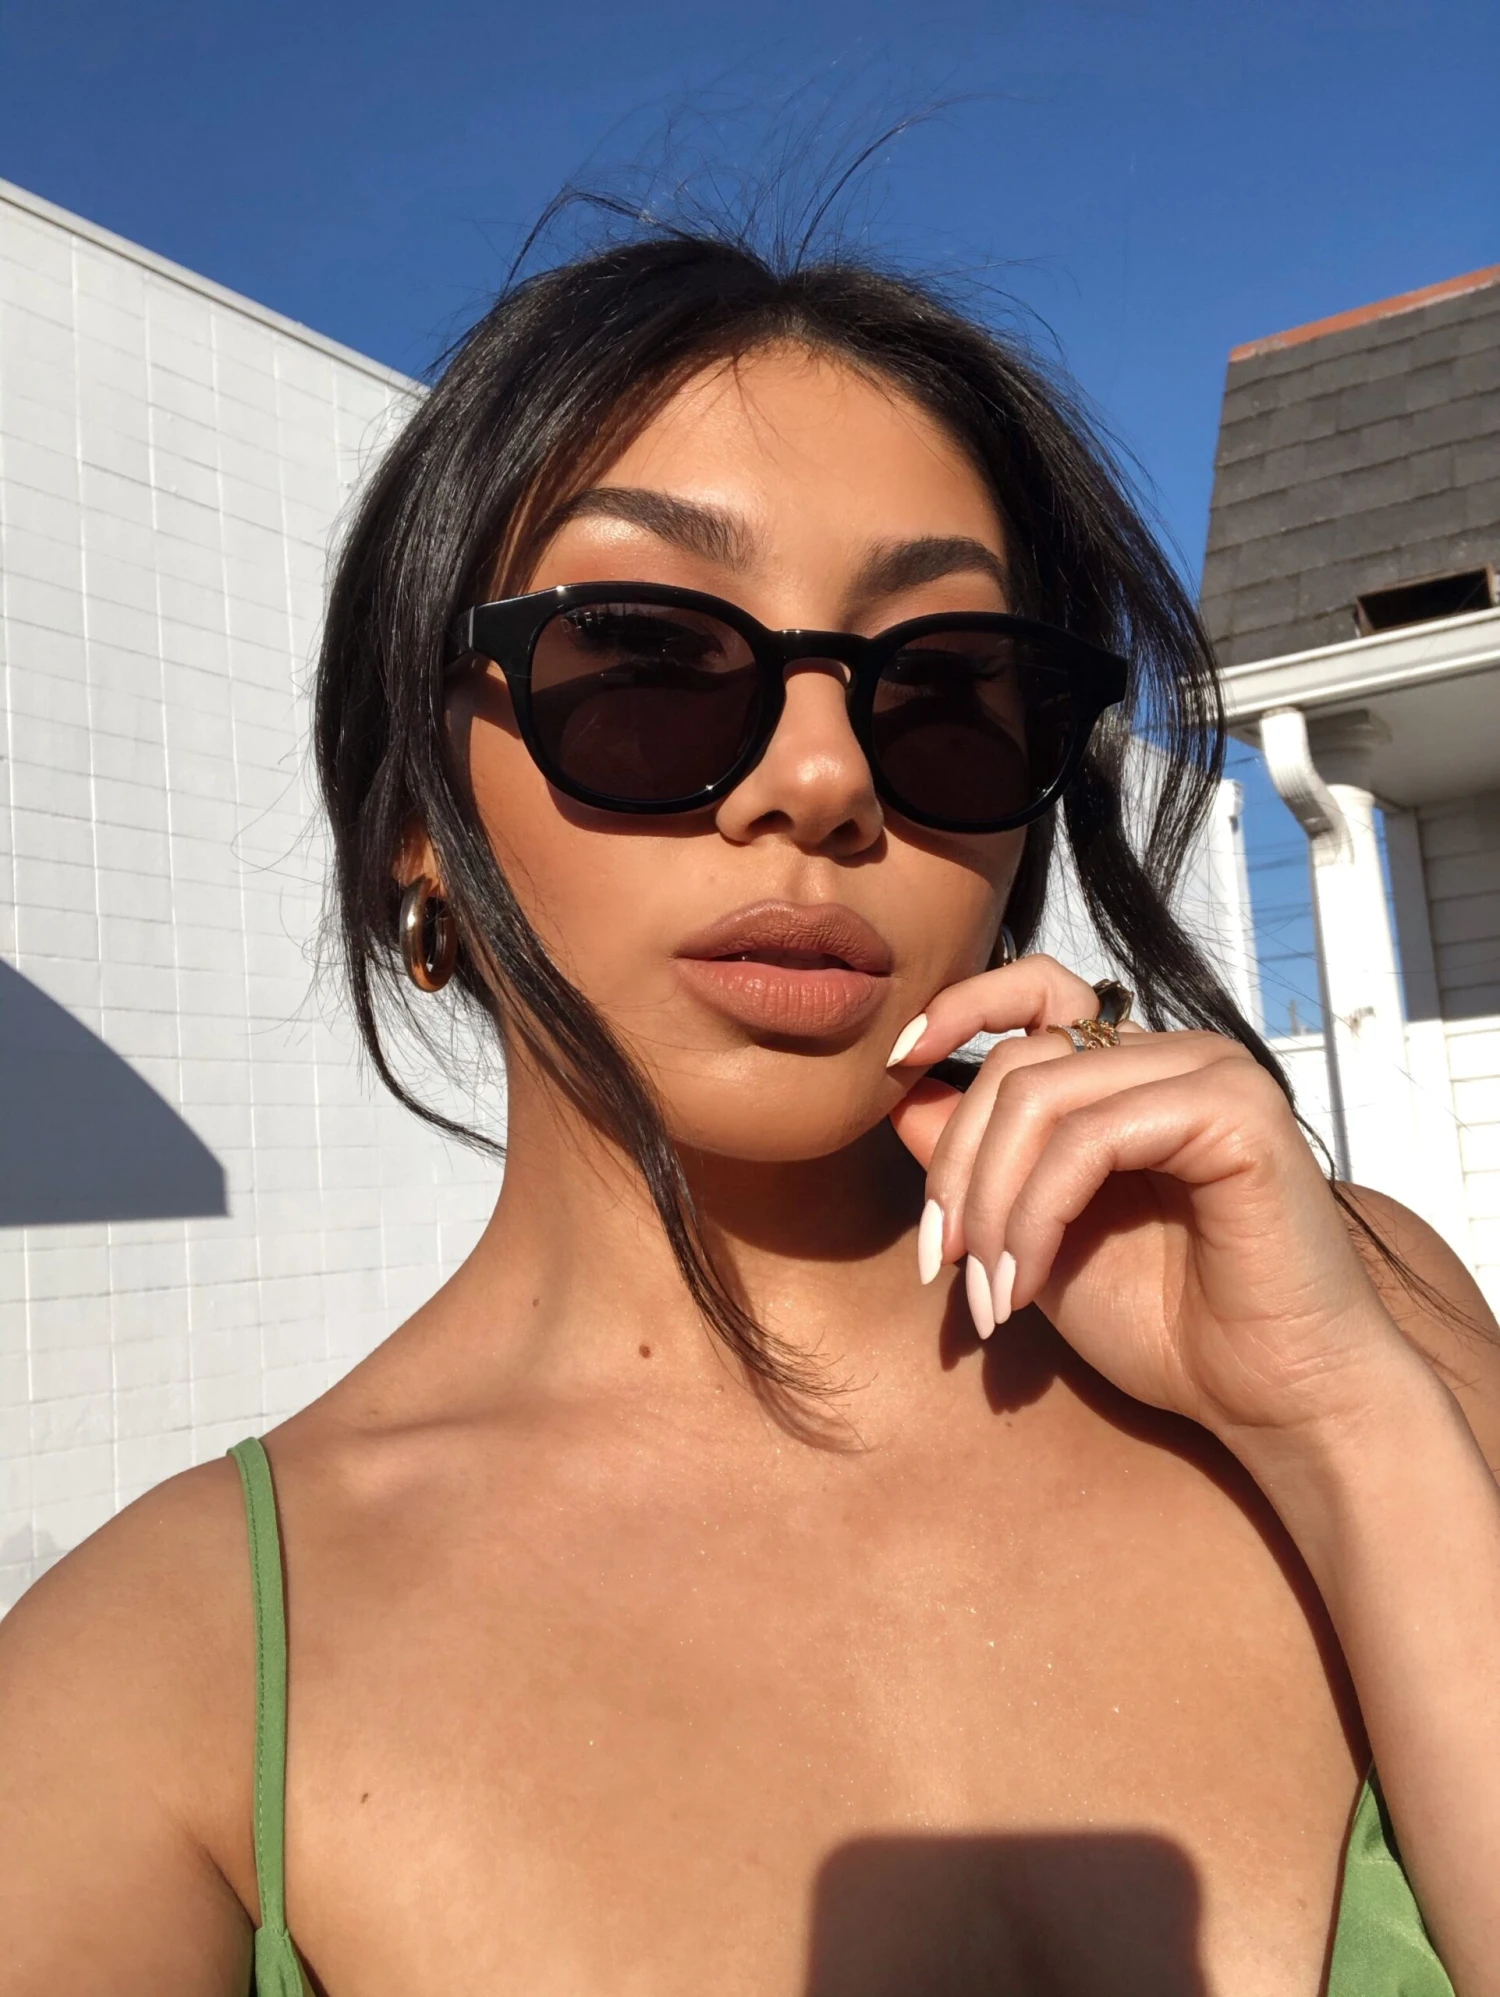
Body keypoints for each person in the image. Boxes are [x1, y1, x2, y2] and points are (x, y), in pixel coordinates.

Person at [2, 225, 1498, 1997]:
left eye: (945, 687)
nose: (824, 776)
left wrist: (1345, 1435)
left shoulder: (1357, 1312)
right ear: (415, 815)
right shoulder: (146, 1689)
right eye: (646, 660)